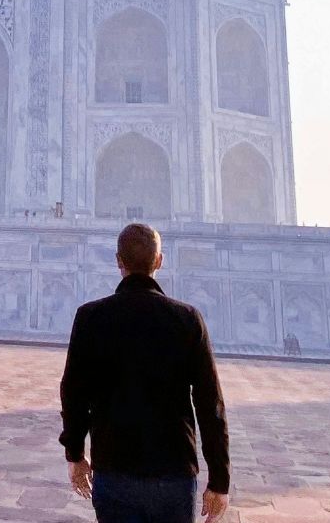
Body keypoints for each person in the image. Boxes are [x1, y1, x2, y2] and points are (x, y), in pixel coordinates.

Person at [60, 223, 229, 522]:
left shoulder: (91, 318)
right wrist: (219, 480)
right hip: (174, 472)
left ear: (118, 261)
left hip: (114, 469)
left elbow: (74, 394)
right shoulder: (187, 320)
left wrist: (75, 453)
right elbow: (209, 404)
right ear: (159, 261)